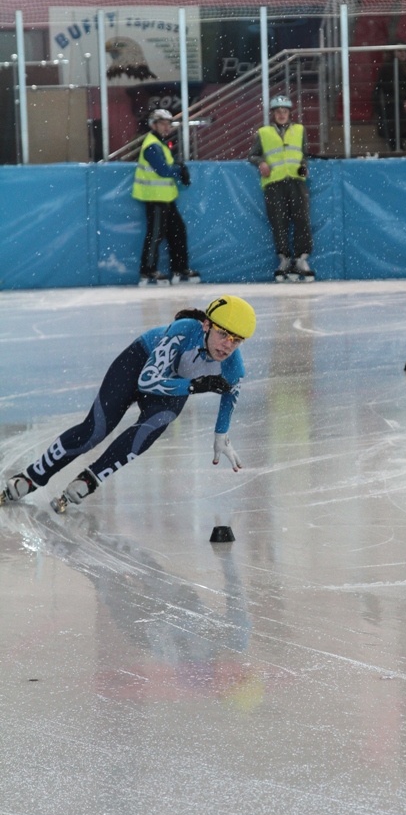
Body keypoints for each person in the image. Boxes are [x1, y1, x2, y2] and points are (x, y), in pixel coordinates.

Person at [0, 295, 256, 513]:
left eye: (237, 340)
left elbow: (229, 396)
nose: (227, 345)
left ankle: (91, 478)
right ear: (206, 325)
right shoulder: (185, 329)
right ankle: (32, 476)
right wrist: (194, 386)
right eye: (223, 334)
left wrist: (221, 434)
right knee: (95, 430)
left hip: (174, 386)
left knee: (152, 427)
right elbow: (148, 380)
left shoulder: (234, 367)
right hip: (138, 364)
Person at [248, 95, 315, 283]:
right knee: (279, 221)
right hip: (274, 183)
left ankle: (301, 258)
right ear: (273, 114)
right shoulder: (263, 133)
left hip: (296, 181)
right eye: (278, 112)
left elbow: (303, 153)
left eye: (284, 111)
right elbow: (252, 155)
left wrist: (303, 165)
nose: (281, 114)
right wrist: (261, 162)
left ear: (289, 113)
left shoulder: (300, 130)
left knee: (301, 218)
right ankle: (284, 259)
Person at [132, 108, 200, 286]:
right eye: (162, 124)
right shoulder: (152, 145)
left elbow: (167, 166)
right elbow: (162, 170)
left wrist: (178, 167)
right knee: (155, 234)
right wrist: (180, 170)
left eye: (168, 124)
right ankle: (147, 271)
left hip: (166, 198)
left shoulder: (160, 144)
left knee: (177, 231)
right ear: (153, 125)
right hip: (155, 198)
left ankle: (180, 267)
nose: (167, 127)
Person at [373, 47, 406, 152]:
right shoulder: (388, 67)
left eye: (405, 51)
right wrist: (404, 99)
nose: (403, 53)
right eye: (400, 51)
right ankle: (396, 145)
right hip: (391, 102)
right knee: (394, 115)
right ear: (393, 52)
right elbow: (389, 88)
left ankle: (400, 144)